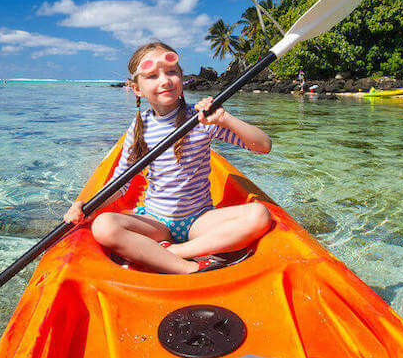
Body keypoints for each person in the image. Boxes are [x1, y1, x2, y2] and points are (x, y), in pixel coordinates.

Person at [64, 41, 272, 274]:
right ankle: (188, 268)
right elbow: (121, 184)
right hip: (156, 222)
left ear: (181, 78)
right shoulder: (139, 126)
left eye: (171, 72)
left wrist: (226, 120)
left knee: (260, 215)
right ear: (137, 89)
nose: (164, 80)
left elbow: (263, 146)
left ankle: (173, 254)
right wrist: (88, 206)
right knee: (103, 226)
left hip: (199, 220)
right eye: (152, 76)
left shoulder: (202, 119)